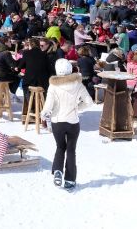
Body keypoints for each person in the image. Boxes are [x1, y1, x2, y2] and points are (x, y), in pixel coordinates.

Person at [41, 59, 92, 191]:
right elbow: (89, 102)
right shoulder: (78, 84)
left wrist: (44, 114)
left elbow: (48, 106)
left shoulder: (53, 86)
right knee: (71, 150)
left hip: (57, 121)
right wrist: (77, 108)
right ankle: (70, 179)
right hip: (73, 122)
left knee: (60, 147)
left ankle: (58, 170)